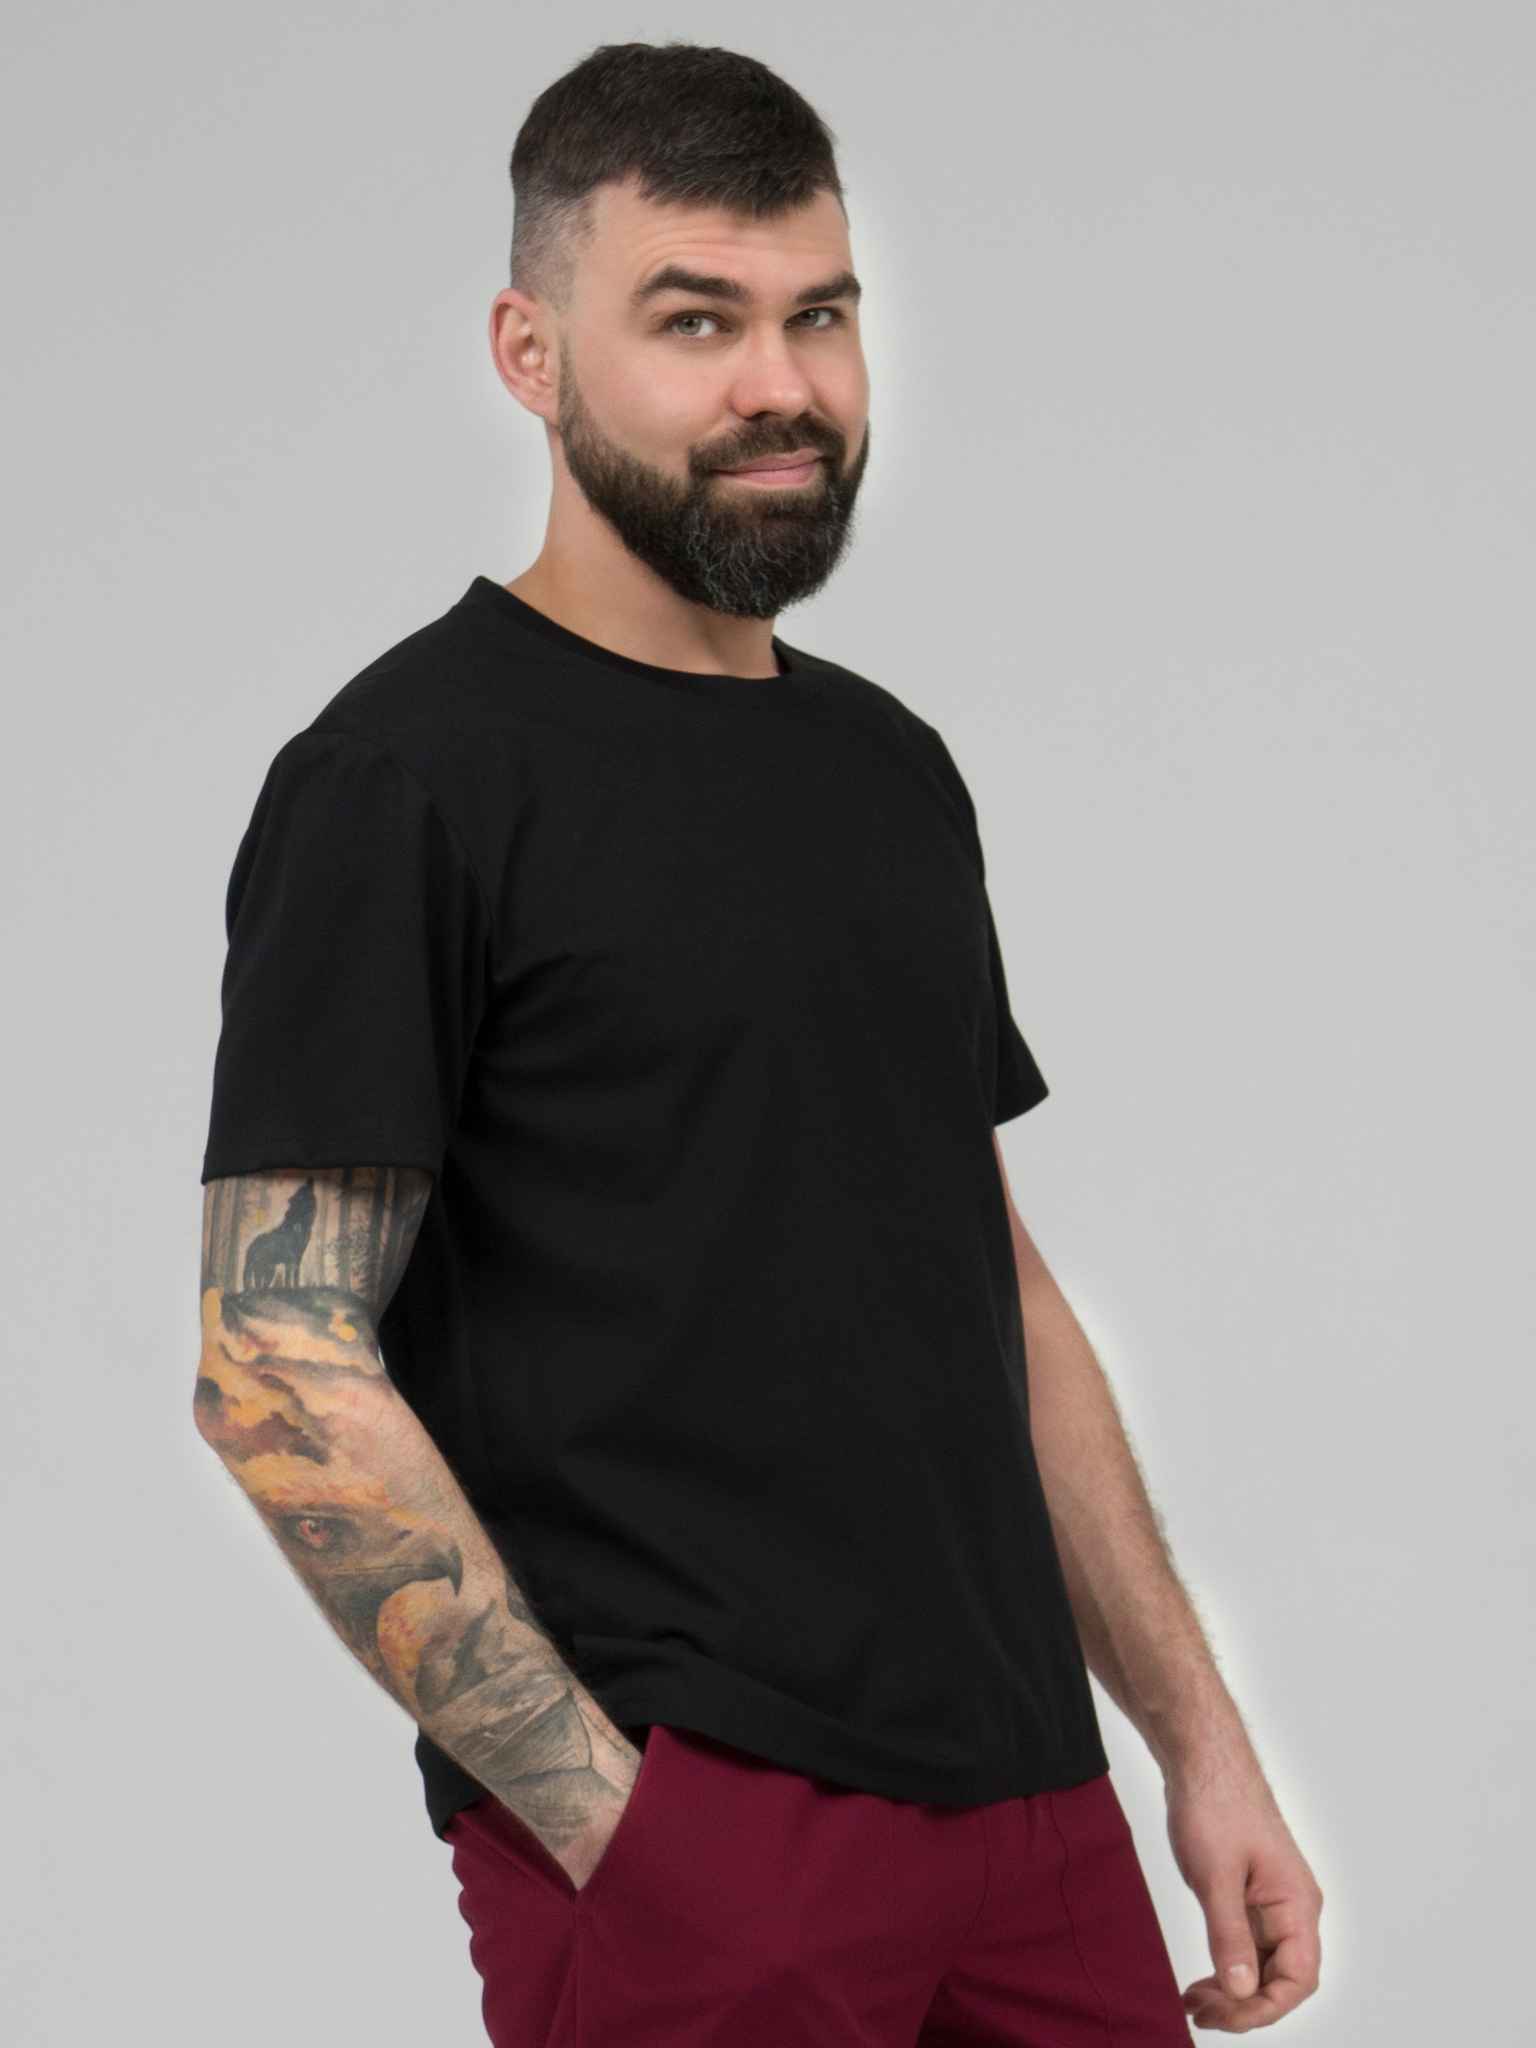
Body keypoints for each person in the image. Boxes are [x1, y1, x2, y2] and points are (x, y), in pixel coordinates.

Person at [193, 37, 1322, 2047]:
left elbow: (992, 1282)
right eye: (695, 320)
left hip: (1036, 1818)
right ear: (530, 353)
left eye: (820, 316)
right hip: (710, 1830)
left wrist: (1197, 1739)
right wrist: (617, 1827)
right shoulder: (406, 778)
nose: (779, 385)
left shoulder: (890, 770)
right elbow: (273, 1353)